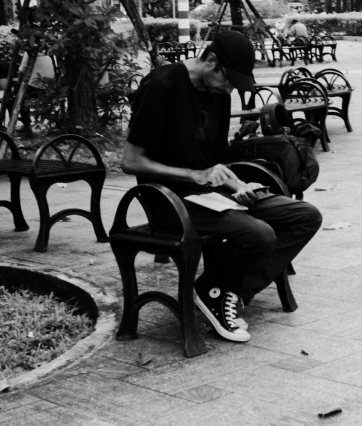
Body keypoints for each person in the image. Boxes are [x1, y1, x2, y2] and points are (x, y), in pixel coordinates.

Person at [121, 31, 322, 343]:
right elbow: (130, 161)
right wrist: (193, 175)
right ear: (211, 61)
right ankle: (217, 291)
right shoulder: (163, 86)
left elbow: (216, 162)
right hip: (170, 201)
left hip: (213, 197)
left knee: (306, 216)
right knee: (260, 233)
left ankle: (225, 291)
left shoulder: (219, 95)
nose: (229, 89)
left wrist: (239, 184)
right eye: (228, 80)